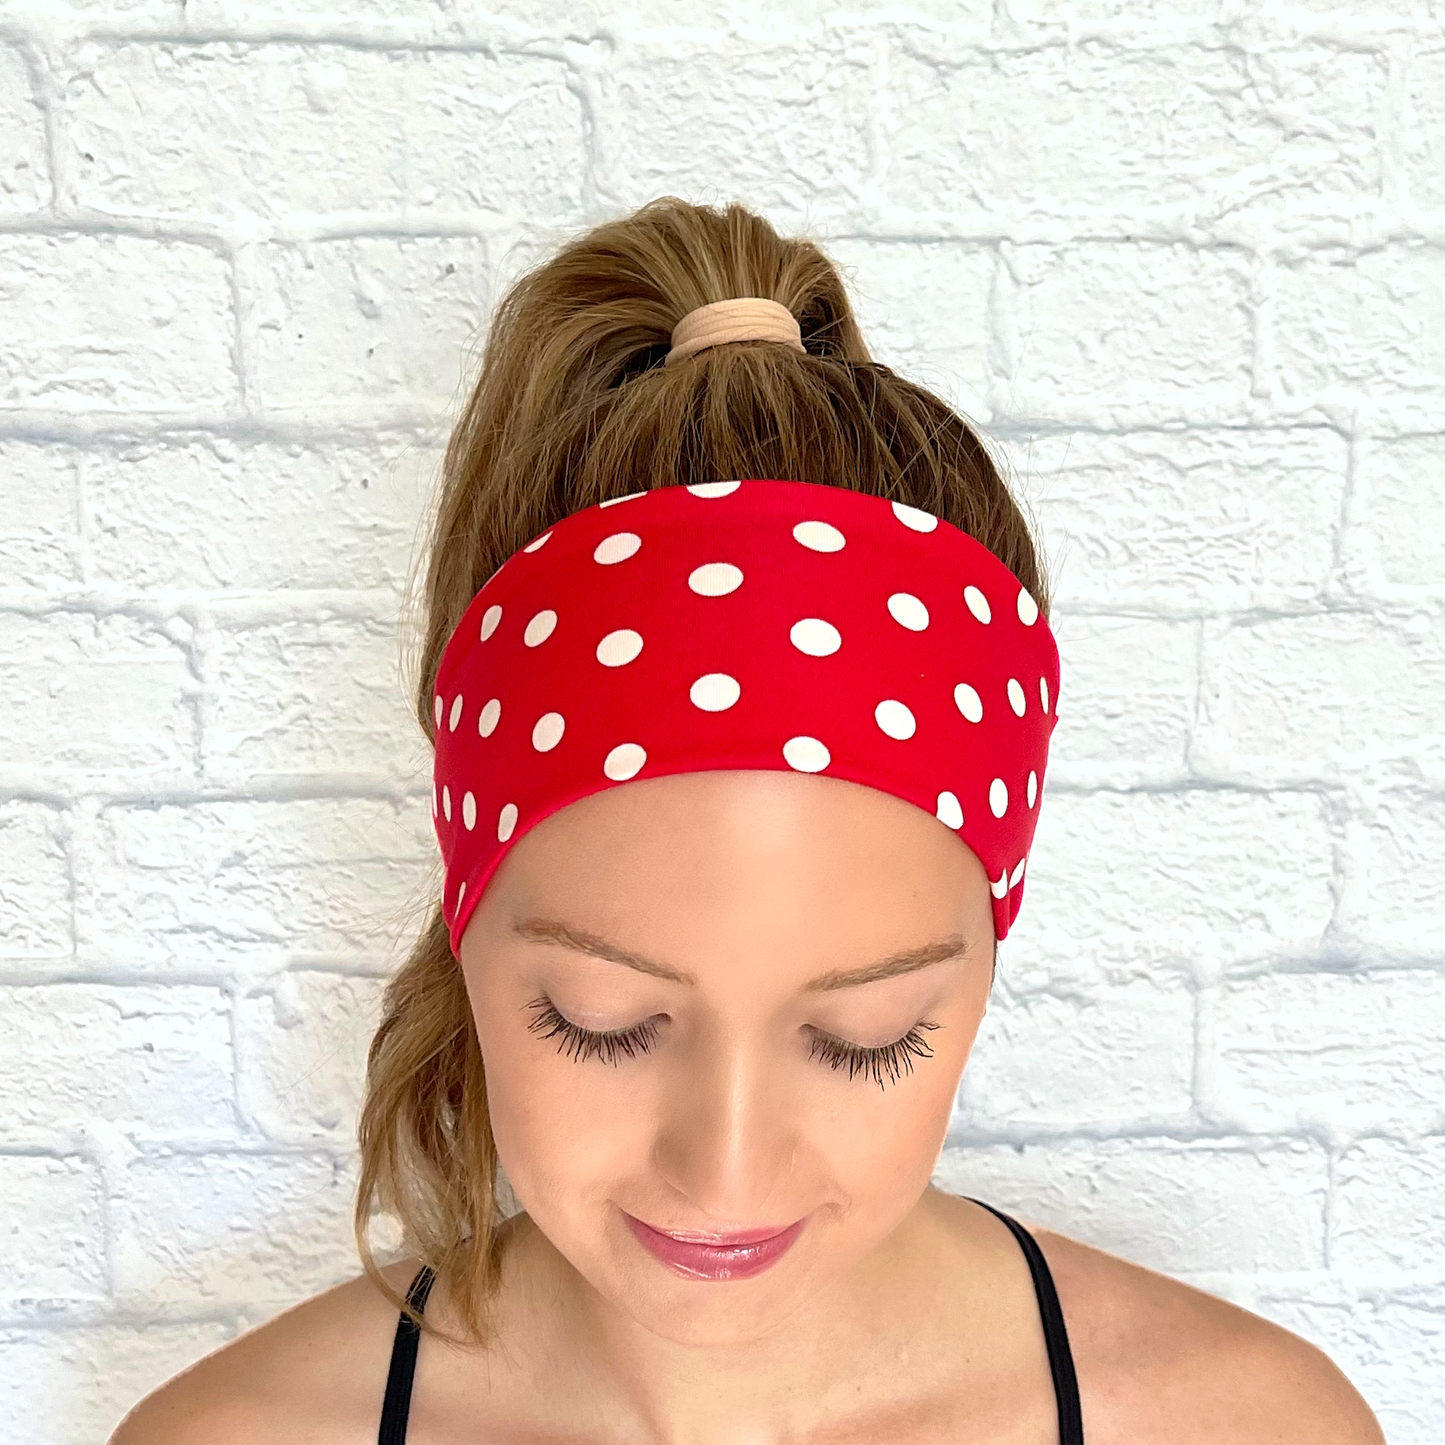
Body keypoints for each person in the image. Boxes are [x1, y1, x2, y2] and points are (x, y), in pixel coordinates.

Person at [109, 197, 1384, 1445]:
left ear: (985, 958)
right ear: (465, 922)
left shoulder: (1249, 1424)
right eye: (599, 1022)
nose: (723, 1173)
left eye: (865, 1037)